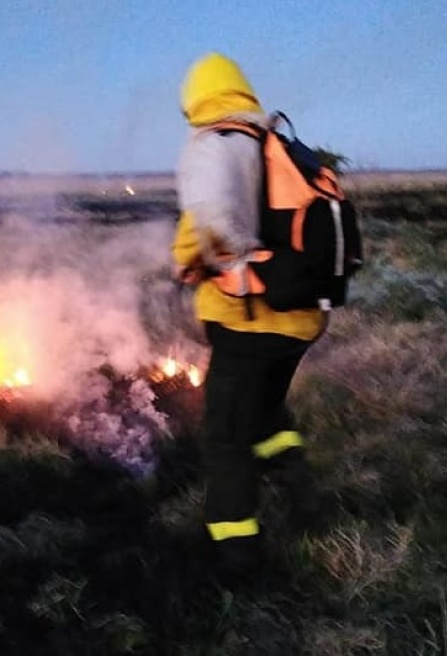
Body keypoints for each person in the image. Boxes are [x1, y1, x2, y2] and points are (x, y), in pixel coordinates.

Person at [171, 52, 327, 577]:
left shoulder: (216, 143)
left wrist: (191, 263)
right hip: (300, 318)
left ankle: (236, 553)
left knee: (224, 438)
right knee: (266, 414)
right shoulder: (276, 139)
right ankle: (306, 501)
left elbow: (206, 221)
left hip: (250, 320)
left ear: (197, 98)